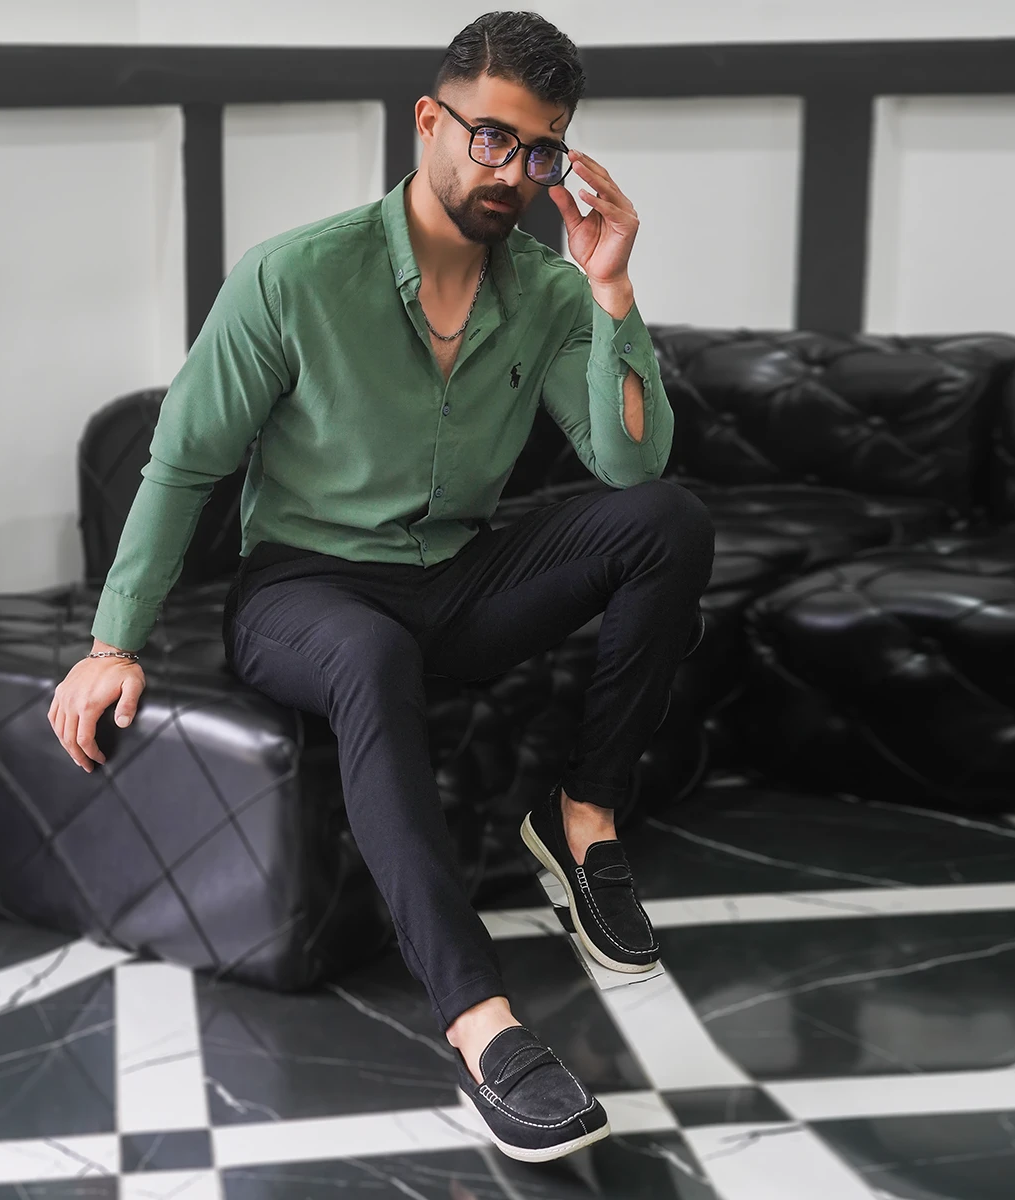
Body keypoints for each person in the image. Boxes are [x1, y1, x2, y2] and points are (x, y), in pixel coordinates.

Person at [48, 11, 713, 1163]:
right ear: (429, 122)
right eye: (491, 137)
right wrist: (114, 642)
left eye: (540, 150)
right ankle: (480, 1023)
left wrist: (611, 289)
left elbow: (628, 463)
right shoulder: (296, 275)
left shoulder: (551, 290)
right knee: (371, 652)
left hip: (457, 576)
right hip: (305, 594)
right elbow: (184, 463)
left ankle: (583, 821)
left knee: (669, 521)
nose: (511, 171)